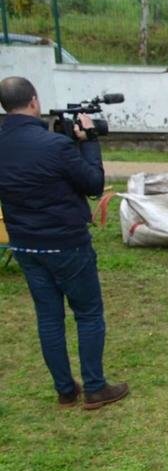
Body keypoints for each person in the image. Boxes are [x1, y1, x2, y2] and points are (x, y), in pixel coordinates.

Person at [0, 76, 129, 410]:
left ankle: (65, 390)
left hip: (26, 245)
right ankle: (95, 388)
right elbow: (93, 184)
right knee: (87, 314)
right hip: (66, 243)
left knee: (48, 317)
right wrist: (87, 142)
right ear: (33, 101)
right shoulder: (54, 146)